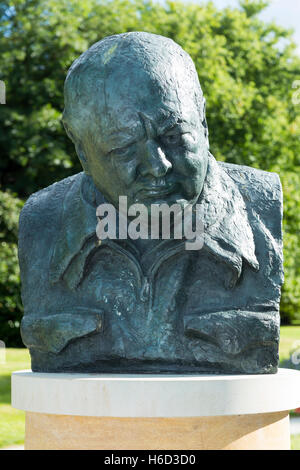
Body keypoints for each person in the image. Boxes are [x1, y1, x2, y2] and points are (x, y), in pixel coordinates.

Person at [19, 32, 283, 373]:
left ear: (202, 119)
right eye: (124, 148)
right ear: (80, 147)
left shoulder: (261, 207)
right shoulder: (41, 224)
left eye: (174, 136)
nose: (159, 166)